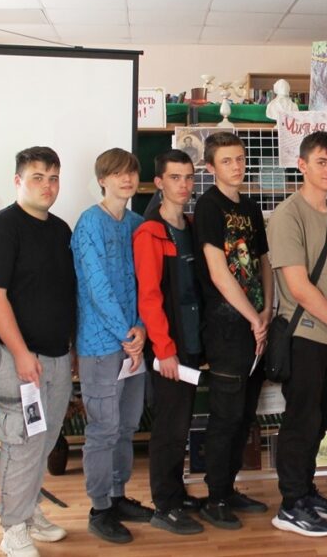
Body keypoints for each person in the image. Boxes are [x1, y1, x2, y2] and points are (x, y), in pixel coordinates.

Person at [0, 146, 76, 557]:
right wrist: (20, 353)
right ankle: (12, 528)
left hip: (55, 355)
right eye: (37, 177)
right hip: (11, 357)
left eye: (53, 178)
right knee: (22, 442)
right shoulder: (0, 230)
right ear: (18, 181)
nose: (47, 186)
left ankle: (29, 511)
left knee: (45, 439)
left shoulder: (60, 229)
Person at [267, 131, 327, 537]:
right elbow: (299, 287)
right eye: (322, 162)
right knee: (301, 420)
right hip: (306, 333)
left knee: (321, 417)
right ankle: (291, 505)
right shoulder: (286, 216)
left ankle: (306, 491)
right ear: (302, 165)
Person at [193, 132, 273, 529]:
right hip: (226, 327)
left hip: (256, 325)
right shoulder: (208, 206)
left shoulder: (252, 206)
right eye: (227, 160)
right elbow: (218, 271)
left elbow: (263, 262)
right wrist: (251, 317)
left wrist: (267, 310)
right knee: (225, 415)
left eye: (240, 158)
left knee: (245, 414)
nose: (236, 166)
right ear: (211, 167)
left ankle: (229, 487)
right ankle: (215, 497)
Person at [71, 148, 151, 544]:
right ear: (102, 179)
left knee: (127, 425)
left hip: (135, 341)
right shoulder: (89, 223)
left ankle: (118, 496)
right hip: (101, 344)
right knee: (103, 428)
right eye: (117, 173)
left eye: (131, 172)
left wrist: (141, 330)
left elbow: (147, 283)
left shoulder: (137, 224)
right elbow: (97, 287)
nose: (127, 179)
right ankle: (99, 508)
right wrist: (126, 333)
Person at [133, 149, 207, 536]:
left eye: (189, 177)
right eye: (175, 178)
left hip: (192, 344)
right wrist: (164, 350)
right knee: (169, 427)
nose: (184, 185)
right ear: (159, 183)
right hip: (169, 349)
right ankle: (165, 505)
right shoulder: (150, 232)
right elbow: (149, 297)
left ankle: (176, 494)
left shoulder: (190, 226)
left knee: (182, 423)